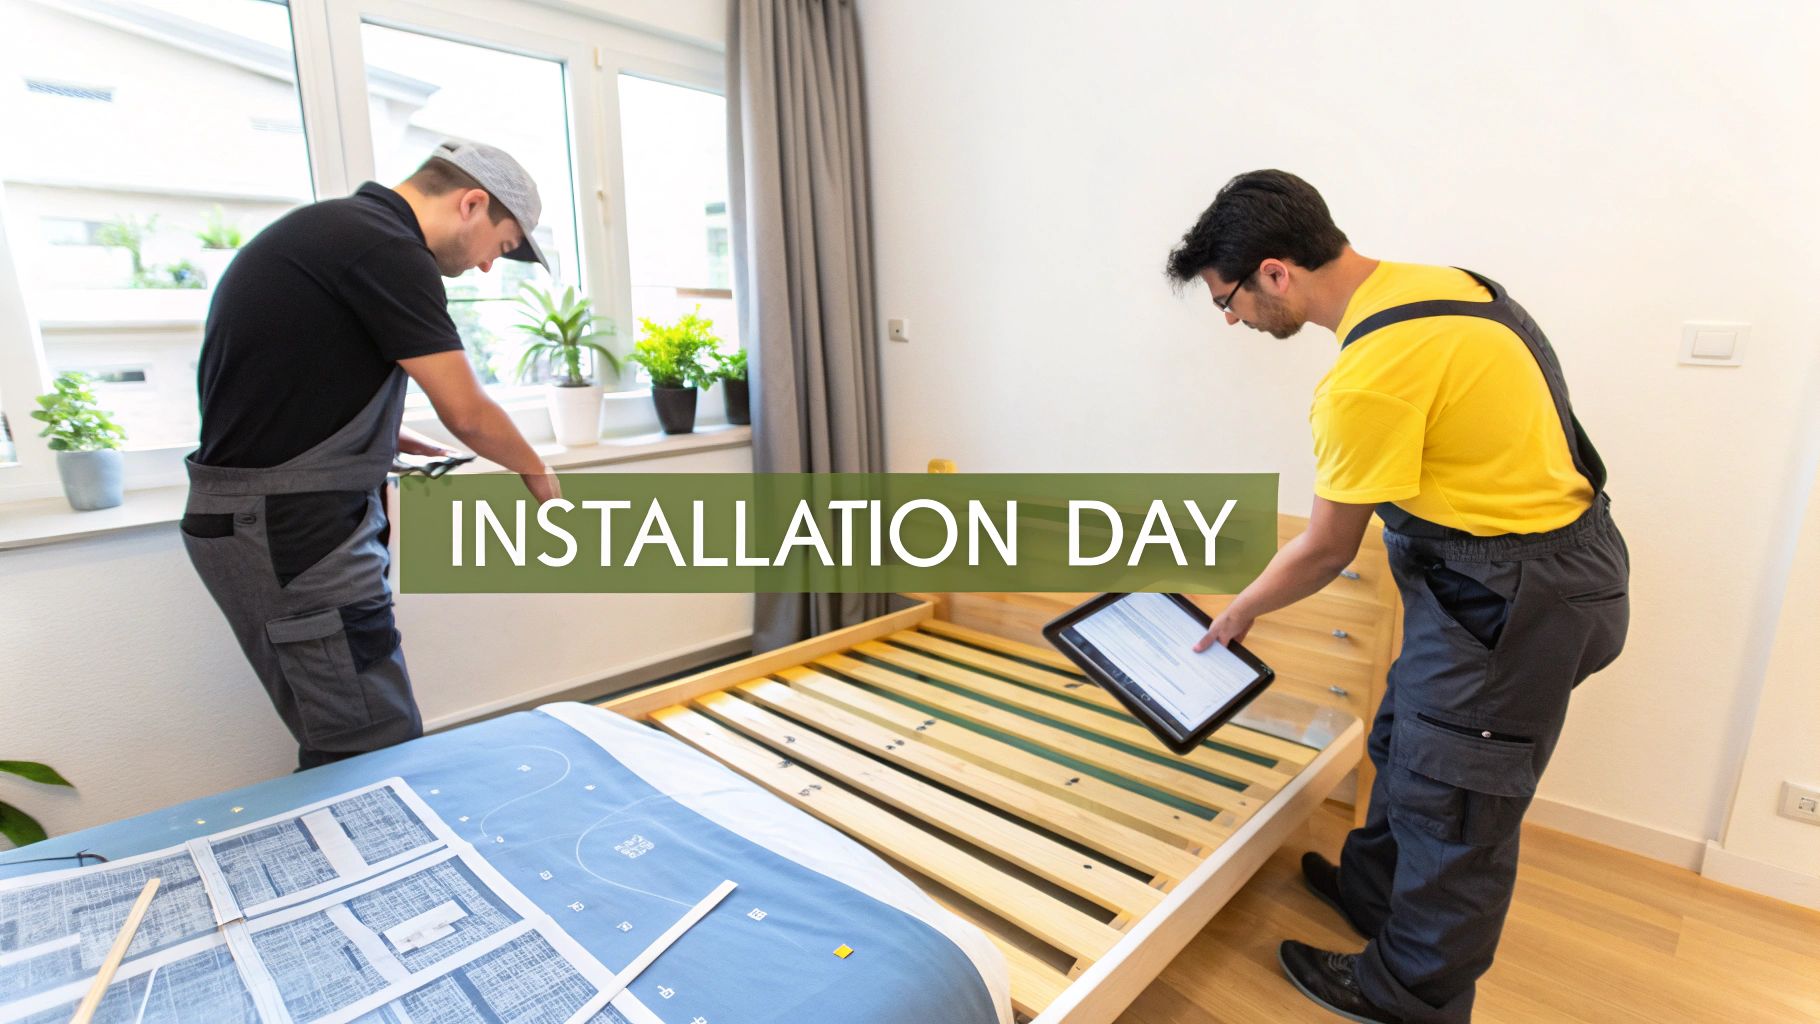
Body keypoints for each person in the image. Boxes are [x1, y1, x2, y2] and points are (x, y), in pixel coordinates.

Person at [1167, 170, 1629, 1023]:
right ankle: (1373, 894)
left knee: (1455, 800)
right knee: (1405, 739)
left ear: (1276, 272)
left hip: (1512, 602)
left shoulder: (1366, 378)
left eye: (1228, 298)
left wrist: (1237, 613)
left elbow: (1325, 549)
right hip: (1530, 572)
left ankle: (1407, 994)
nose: (1230, 318)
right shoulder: (1449, 287)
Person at [182, 140, 563, 770]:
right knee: (367, 741)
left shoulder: (341, 232)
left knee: (360, 727)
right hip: (286, 531)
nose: (491, 267)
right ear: (472, 203)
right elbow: (466, 410)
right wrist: (536, 469)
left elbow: (289, 389)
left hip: (285, 523)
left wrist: (383, 438)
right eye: (503, 245)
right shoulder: (385, 249)